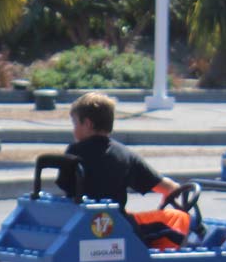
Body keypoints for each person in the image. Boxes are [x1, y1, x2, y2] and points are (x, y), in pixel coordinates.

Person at [57, 90, 189, 247]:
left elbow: (64, 186)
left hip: (81, 223)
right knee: (179, 217)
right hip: (117, 227)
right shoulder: (123, 154)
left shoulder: (72, 153)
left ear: (88, 124)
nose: (74, 130)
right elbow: (168, 188)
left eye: (75, 124)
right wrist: (171, 191)